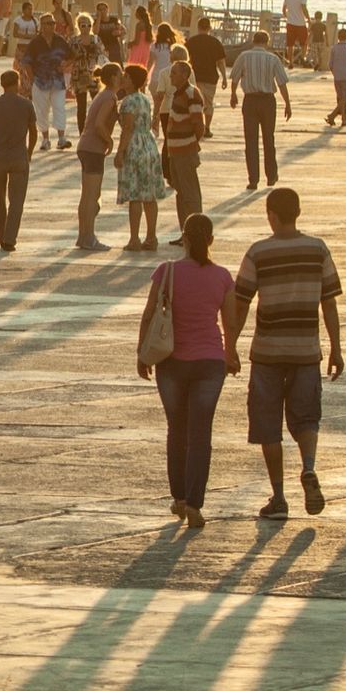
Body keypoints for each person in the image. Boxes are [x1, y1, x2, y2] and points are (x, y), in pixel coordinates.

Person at [229, 187, 344, 520]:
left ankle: (279, 497)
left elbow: (241, 303)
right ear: (298, 213)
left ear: (271, 215)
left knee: (268, 426)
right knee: (307, 417)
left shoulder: (258, 252)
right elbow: (329, 303)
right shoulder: (317, 249)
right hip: (306, 351)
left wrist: (229, 346)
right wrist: (336, 348)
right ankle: (308, 467)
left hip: (267, 353)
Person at [136, 214, 236, 530]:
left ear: (185, 239)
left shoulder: (166, 271)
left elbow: (149, 314)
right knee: (200, 433)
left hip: (171, 362)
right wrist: (231, 353)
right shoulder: (222, 276)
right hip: (210, 363)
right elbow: (230, 322)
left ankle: (179, 498)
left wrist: (142, 353)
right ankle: (194, 504)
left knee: (176, 429)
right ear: (211, 240)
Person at [0, 69, 38, 252]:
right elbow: (34, 132)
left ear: (2, 85)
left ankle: (0, 236)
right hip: (18, 156)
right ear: (17, 83)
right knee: (17, 200)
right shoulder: (26, 105)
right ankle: (10, 238)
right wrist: (29, 152)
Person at [229, 31, 291, 191]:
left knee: (251, 140)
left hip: (250, 100)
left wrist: (233, 94)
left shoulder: (244, 56)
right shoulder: (273, 58)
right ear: (267, 42)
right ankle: (271, 176)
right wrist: (287, 103)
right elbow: (282, 83)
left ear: (253, 41)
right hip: (268, 101)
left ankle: (253, 179)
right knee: (268, 139)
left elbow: (235, 77)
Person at [114, 63, 167, 252]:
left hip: (135, 146)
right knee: (149, 195)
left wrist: (120, 152)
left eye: (126, 76)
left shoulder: (128, 101)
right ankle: (151, 237)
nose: (123, 78)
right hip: (148, 144)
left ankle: (134, 239)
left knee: (135, 196)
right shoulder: (144, 99)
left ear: (132, 80)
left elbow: (128, 128)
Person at [75, 63, 123, 252]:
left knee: (87, 195)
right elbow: (99, 124)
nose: (123, 77)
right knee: (92, 196)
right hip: (93, 149)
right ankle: (88, 237)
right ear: (113, 78)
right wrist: (109, 141)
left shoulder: (103, 95)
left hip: (86, 147)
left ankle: (83, 236)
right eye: (120, 74)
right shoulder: (110, 96)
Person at [160, 61, 205, 240]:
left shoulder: (191, 93)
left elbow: (198, 123)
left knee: (190, 193)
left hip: (185, 151)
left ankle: (196, 232)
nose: (171, 76)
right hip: (175, 151)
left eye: (174, 73)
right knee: (181, 193)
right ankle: (185, 232)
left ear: (185, 75)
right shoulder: (178, 93)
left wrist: (191, 142)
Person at [24, 15, 71, 149]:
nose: (51, 25)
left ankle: (61, 138)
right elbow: (27, 62)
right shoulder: (35, 42)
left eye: (52, 23)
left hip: (58, 81)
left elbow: (72, 56)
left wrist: (65, 65)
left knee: (59, 108)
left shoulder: (60, 40)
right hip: (40, 81)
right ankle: (45, 139)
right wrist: (32, 79)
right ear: (41, 25)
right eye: (47, 23)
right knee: (41, 111)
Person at [185, 17, 227, 138]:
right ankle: (207, 128)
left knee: (193, 103)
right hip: (210, 77)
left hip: (194, 77)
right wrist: (224, 77)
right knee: (208, 103)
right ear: (209, 28)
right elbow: (221, 62)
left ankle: (194, 127)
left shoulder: (191, 41)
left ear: (198, 27)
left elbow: (185, 60)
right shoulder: (216, 42)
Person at [326, 29, 346, 127]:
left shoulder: (334, 48)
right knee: (345, 98)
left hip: (337, 77)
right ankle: (332, 115)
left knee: (341, 99)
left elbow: (330, 65)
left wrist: (335, 73)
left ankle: (344, 119)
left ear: (338, 37)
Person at [282, 0, 311, 66]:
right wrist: (309, 19)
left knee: (290, 44)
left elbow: (284, 9)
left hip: (290, 23)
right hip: (301, 23)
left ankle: (290, 62)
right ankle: (302, 57)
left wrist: (287, 17)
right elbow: (304, 8)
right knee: (304, 42)